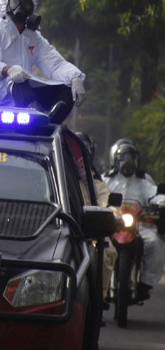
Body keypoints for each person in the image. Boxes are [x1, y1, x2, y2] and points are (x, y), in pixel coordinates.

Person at [0, 0, 86, 123]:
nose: (21, 8)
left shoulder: (34, 38)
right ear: (5, 5)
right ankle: (35, 116)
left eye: (26, 4)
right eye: (15, 3)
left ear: (32, 9)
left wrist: (75, 78)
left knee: (66, 90)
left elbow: (55, 64)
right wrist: (9, 70)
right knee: (19, 81)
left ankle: (49, 125)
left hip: (24, 92)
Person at [102, 139, 164, 301]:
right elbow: (97, 195)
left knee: (155, 243)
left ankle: (145, 283)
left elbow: (155, 195)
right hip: (111, 224)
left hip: (138, 225)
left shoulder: (144, 180)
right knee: (97, 246)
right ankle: (98, 285)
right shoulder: (107, 180)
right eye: (123, 159)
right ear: (114, 161)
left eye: (131, 159)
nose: (128, 163)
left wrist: (160, 201)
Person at [76, 132, 119, 313]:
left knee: (107, 251)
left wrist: (113, 214)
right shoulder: (56, 179)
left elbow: (108, 205)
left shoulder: (98, 185)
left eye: (81, 157)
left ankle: (96, 301)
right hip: (62, 234)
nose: (78, 162)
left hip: (89, 235)